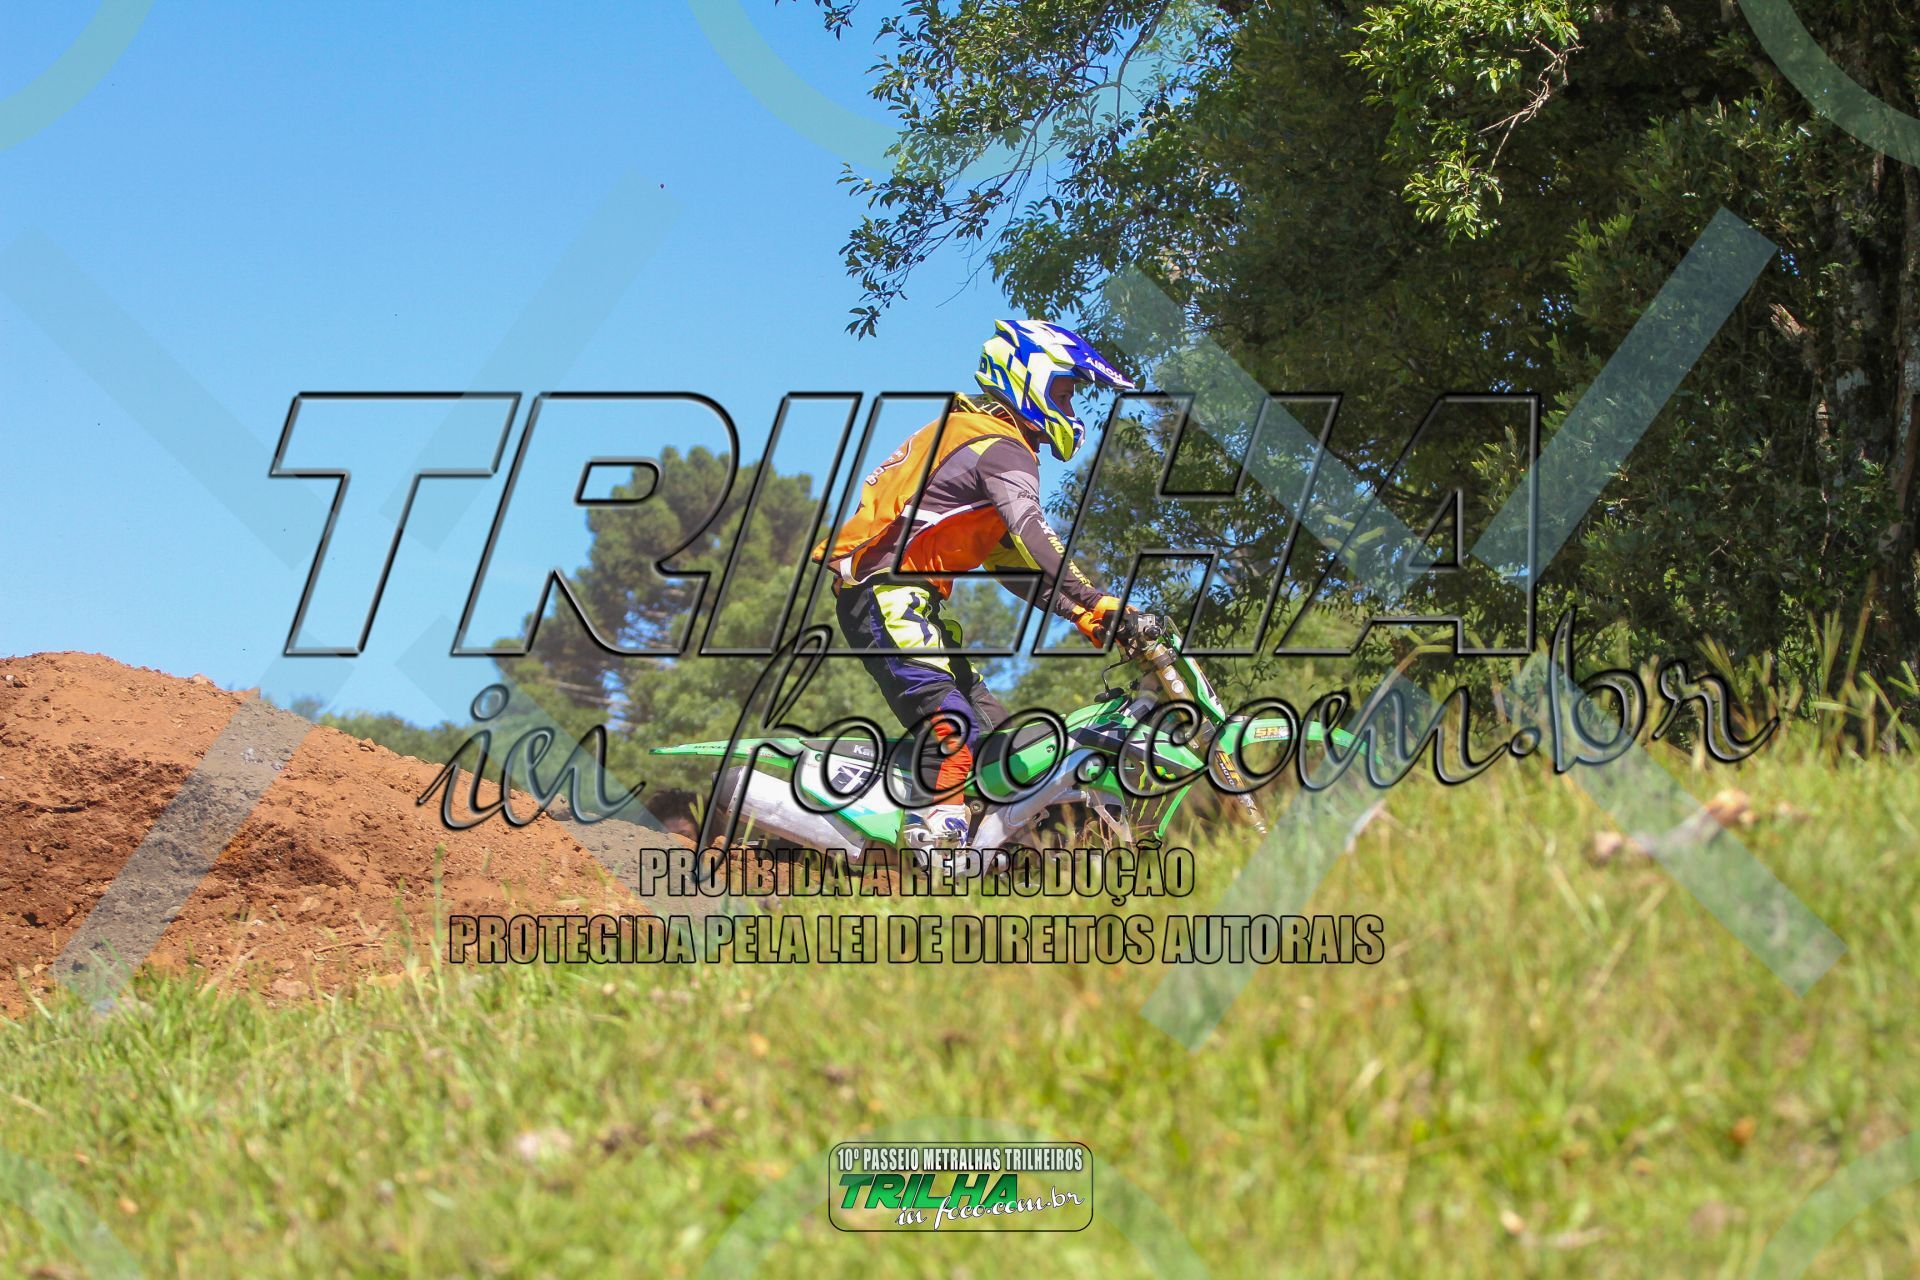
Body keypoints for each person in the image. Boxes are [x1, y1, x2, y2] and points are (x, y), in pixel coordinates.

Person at [812, 318, 1148, 851]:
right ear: (1028, 379)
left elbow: (1014, 564)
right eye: (1063, 392)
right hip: (886, 595)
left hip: (902, 602)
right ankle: (936, 831)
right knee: (952, 724)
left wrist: (1083, 613)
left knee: (1002, 742)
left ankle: (1004, 849)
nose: (1069, 409)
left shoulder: (972, 435)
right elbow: (1033, 532)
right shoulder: (1001, 447)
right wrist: (1097, 599)